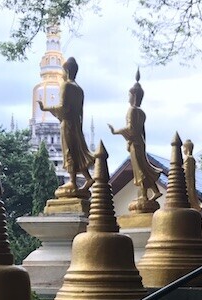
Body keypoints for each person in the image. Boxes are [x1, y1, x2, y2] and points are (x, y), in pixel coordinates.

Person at [37, 57, 94, 194]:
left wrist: (46, 108)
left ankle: (73, 182)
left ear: (66, 71)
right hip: (76, 123)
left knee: (69, 152)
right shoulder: (79, 89)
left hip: (67, 123)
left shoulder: (66, 85)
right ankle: (87, 178)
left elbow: (62, 107)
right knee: (77, 151)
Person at [108, 69, 163, 211]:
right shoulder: (141, 112)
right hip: (140, 143)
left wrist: (116, 131)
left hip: (135, 143)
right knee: (142, 167)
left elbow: (131, 129)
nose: (128, 98)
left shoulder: (132, 110)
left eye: (129, 95)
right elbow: (141, 132)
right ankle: (155, 191)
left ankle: (145, 195)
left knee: (140, 170)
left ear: (134, 96)